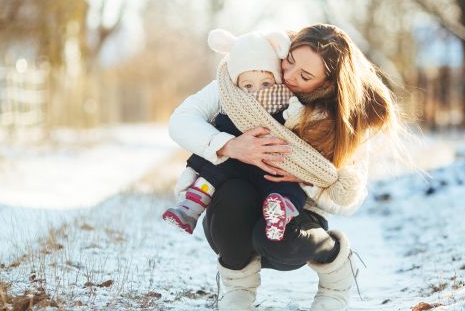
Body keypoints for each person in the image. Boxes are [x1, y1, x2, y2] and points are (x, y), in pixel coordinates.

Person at [168, 24, 398, 310]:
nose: (288, 77)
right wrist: (228, 146)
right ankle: (238, 289)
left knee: (274, 239)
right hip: (237, 207)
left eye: (304, 75)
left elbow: (349, 200)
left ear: (327, 84)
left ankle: (337, 271)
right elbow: (181, 120)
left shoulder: (338, 119)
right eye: (289, 63)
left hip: (292, 217)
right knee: (232, 197)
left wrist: (305, 175)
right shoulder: (248, 74)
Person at [163, 28, 307, 241]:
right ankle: (190, 208)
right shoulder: (228, 96)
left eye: (266, 84)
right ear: (236, 83)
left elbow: (302, 124)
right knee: (213, 172)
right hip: (234, 169)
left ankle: (279, 214)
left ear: (276, 80)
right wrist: (227, 145)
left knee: (283, 187)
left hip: (274, 166)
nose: (256, 91)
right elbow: (181, 120)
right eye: (247, 85)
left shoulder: (289, 98)